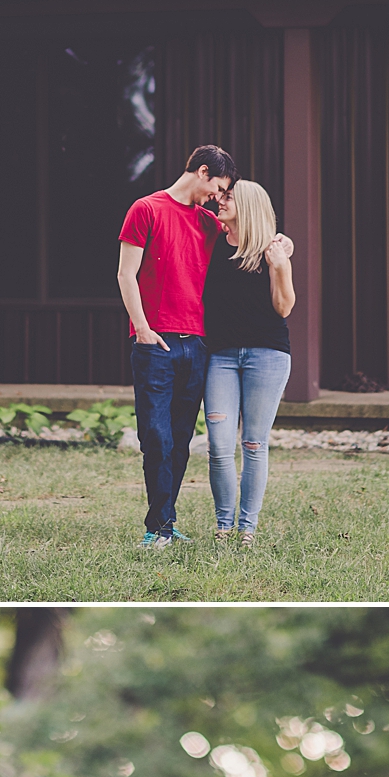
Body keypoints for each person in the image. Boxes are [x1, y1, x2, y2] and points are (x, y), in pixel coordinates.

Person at [117, 144, 237, 548]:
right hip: (155, 344)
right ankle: (158, 528)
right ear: (203, 171)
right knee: (156, 436)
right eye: (218, 188)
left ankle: (165, 522)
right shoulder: (145, 209)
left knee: (182, 440)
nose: (218, 199)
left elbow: (247, 233)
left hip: (196, 345)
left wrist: (283, 244)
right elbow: (126, 275)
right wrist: (143, 328)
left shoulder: (208, 222)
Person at [202, 182, 295, 544]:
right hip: (221, 356)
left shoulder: (271, 249)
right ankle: (224, 527)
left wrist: (281, 266)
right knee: (219, 445)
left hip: (267, 355)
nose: (219, 201)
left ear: (249, 205)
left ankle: (247, 529)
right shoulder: (211, 243)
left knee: (254, 443)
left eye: (227, 197)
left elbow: (284, 307)